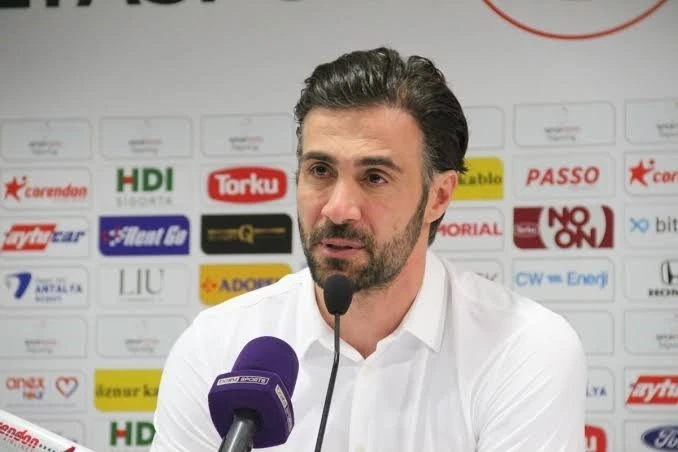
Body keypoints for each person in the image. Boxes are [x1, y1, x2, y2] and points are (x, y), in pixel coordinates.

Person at [150, 47, 586, 451]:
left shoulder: (523, 347)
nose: (338, 209)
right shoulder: (216, 346)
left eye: (375, 177)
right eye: (320, 170)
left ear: (438, 196)